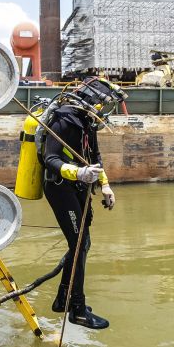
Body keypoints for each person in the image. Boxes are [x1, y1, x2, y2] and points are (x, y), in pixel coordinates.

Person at [42, 77, 127, 330]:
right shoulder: (63, 119)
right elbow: (50, 159)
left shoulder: (88, 122)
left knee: (83, 243)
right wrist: (77, 173)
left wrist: (105, 185)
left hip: (81, 187)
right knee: (79, 245)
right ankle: (77, 309)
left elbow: (95, 156)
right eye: (104, 104)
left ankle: (63, 299)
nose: (105, 110)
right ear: (91, 100)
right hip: (60, 187)